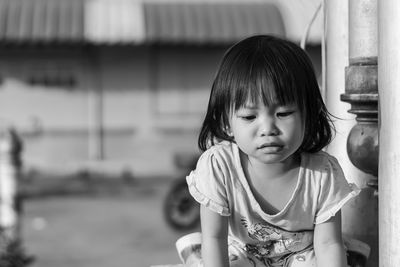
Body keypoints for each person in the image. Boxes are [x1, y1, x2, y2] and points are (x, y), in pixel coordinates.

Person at [176, 35, 361, 267]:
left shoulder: (322, 173)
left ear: (308, 114)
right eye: (249, 117)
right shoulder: (219, 167)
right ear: (226, 123)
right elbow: (215, 238)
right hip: (241, 251)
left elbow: (327, 244)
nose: (268, 129)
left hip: (301, 255)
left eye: (283, 113)